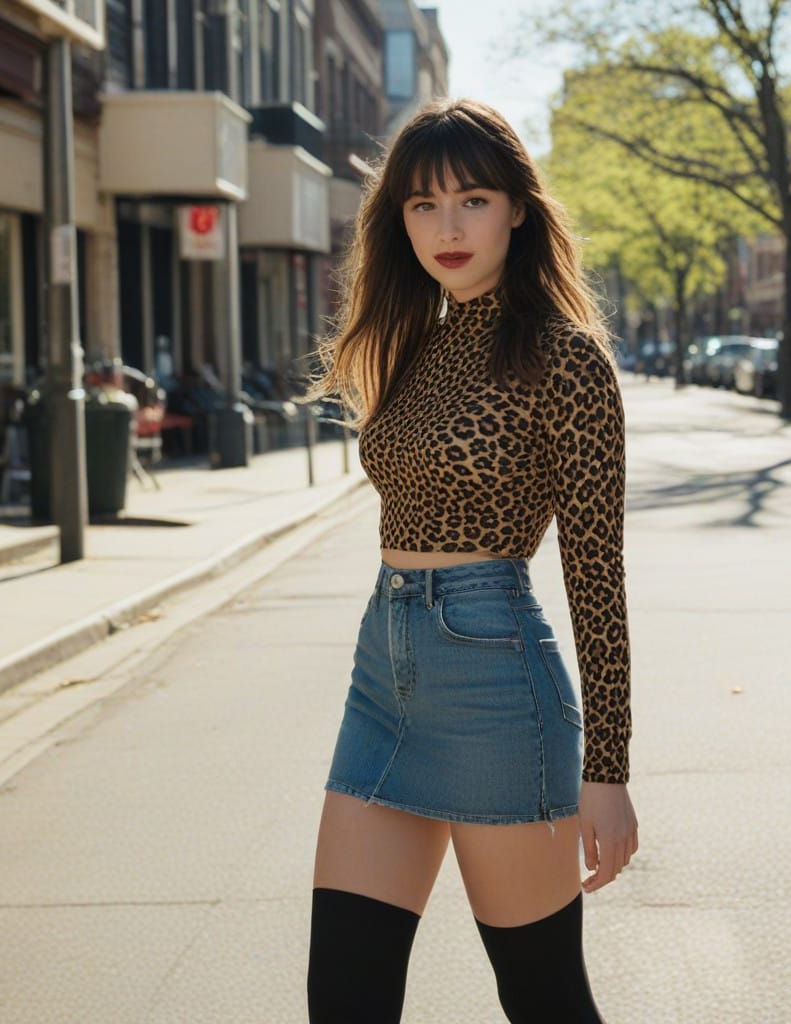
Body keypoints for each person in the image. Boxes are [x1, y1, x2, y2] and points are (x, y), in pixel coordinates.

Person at [298, 97, 638, 1023]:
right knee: (344, 997)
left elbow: (596, 571)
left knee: (543, 999)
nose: (446, 227)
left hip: (495, 682)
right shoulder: (417, 346)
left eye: (473, 201)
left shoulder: (565, 359)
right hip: (384, 676)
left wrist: (606, 768)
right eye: (422, 205)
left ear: (519, 209)